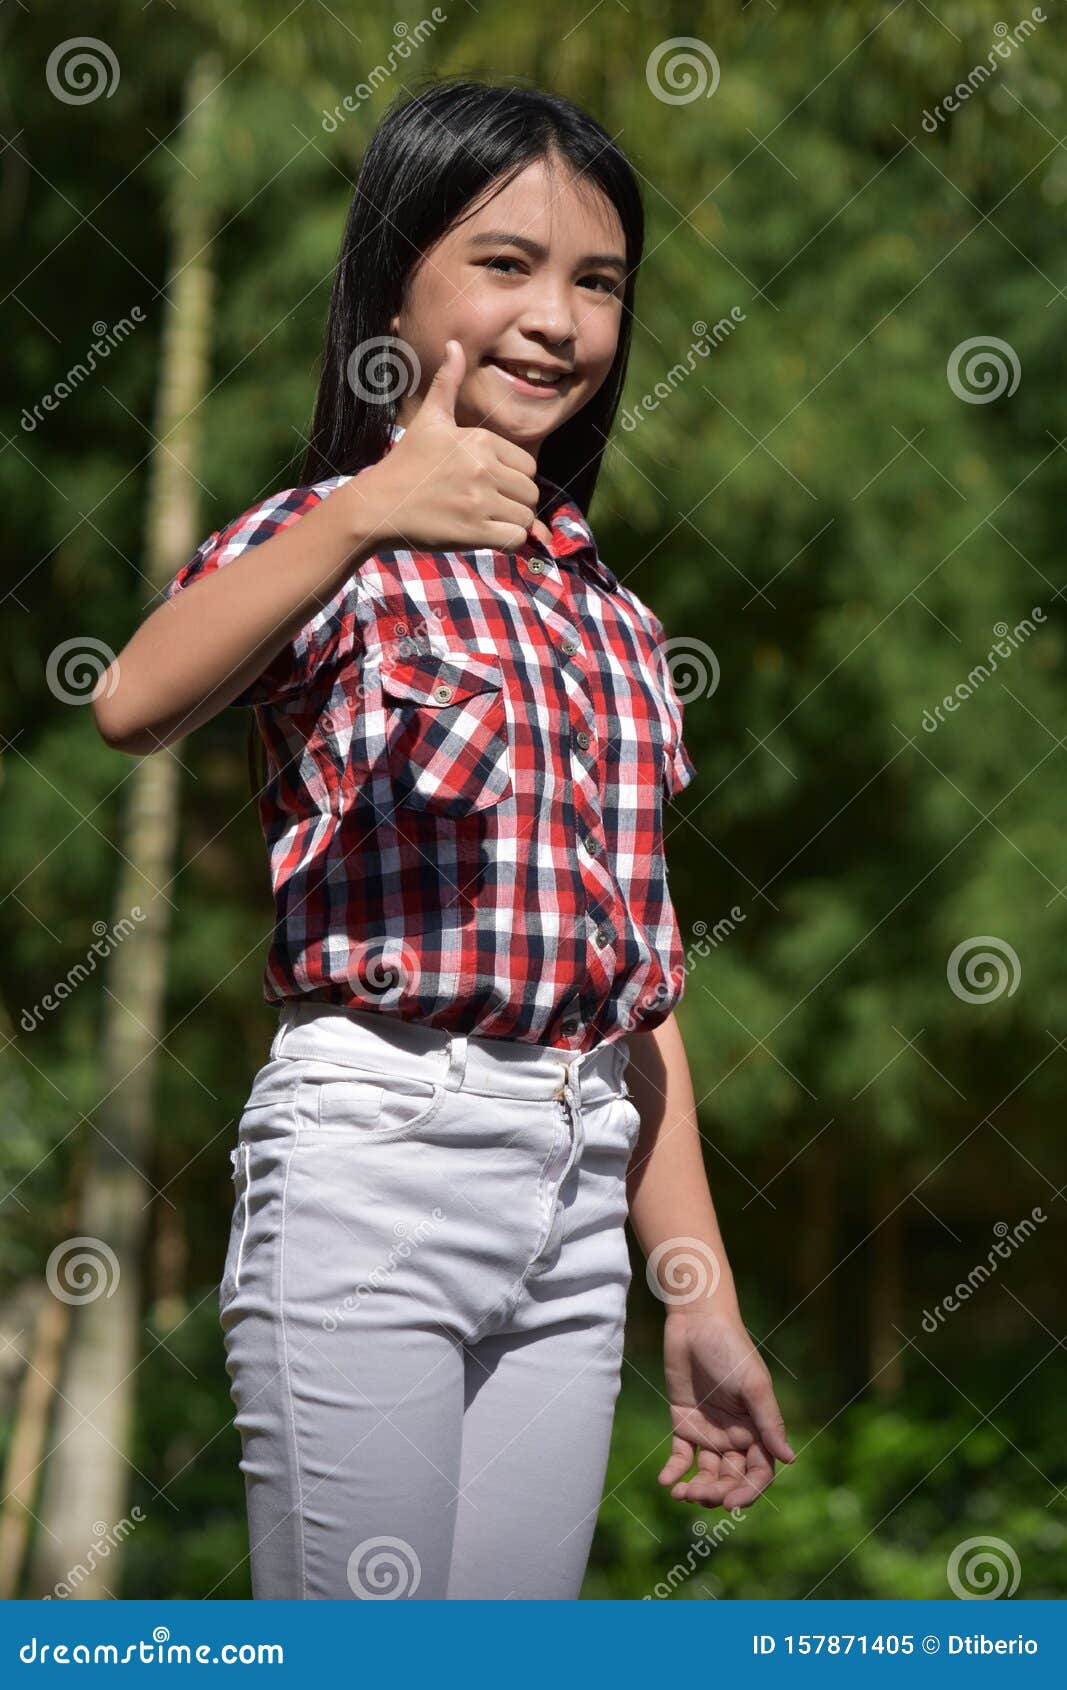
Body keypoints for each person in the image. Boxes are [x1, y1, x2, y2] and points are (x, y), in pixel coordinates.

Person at [93, 76, 795, 1601]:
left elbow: (637, 992)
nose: (557, 317)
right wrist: (366, 513)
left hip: (578, 1194)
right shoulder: (325, 539)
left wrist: (700, 1291)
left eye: (597, 281)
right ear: (394, 279)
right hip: (377, 1162)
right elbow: (136, 700)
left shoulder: (614, 619)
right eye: (506, 262)